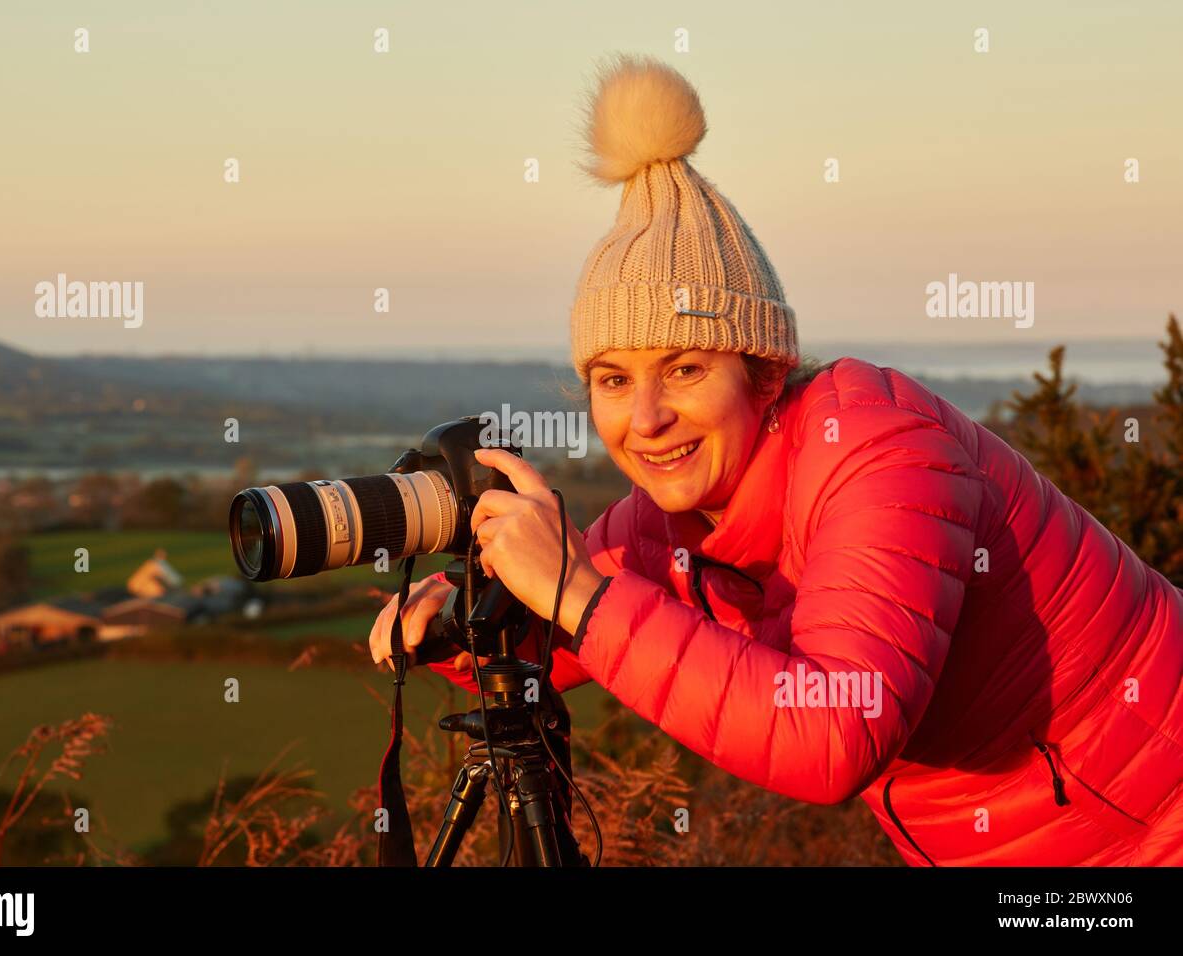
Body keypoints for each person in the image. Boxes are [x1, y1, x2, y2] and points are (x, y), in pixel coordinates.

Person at [369, 54, 1183, 866]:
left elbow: (833, 734)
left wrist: (580, 590)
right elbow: (570, 634)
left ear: (764, 372)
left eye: (685, 369)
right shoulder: (670, 521)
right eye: (613, 380)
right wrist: (457, 621)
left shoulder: (881, 454)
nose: (646, 418)